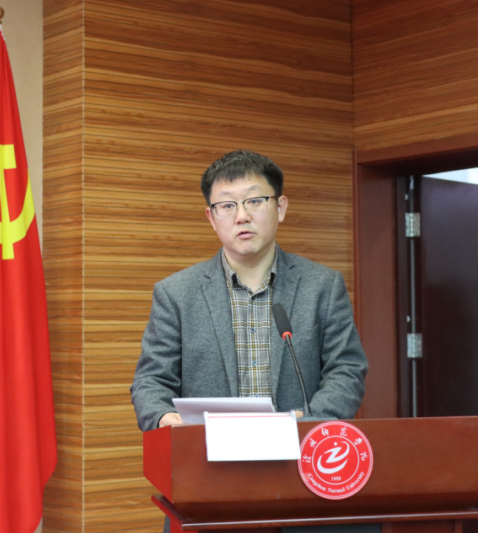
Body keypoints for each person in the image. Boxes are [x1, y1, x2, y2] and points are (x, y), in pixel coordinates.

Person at [131, 150, 368, 432]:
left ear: (280, 207)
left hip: (297, 448)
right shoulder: (176, 294)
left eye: (255, 201)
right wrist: (163, 417)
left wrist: (311, 420)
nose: (242, 216)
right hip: (207, 452)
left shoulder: (322, 286)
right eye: (227, 205)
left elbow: (346, 369)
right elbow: (151, 381)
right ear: (211, 217)